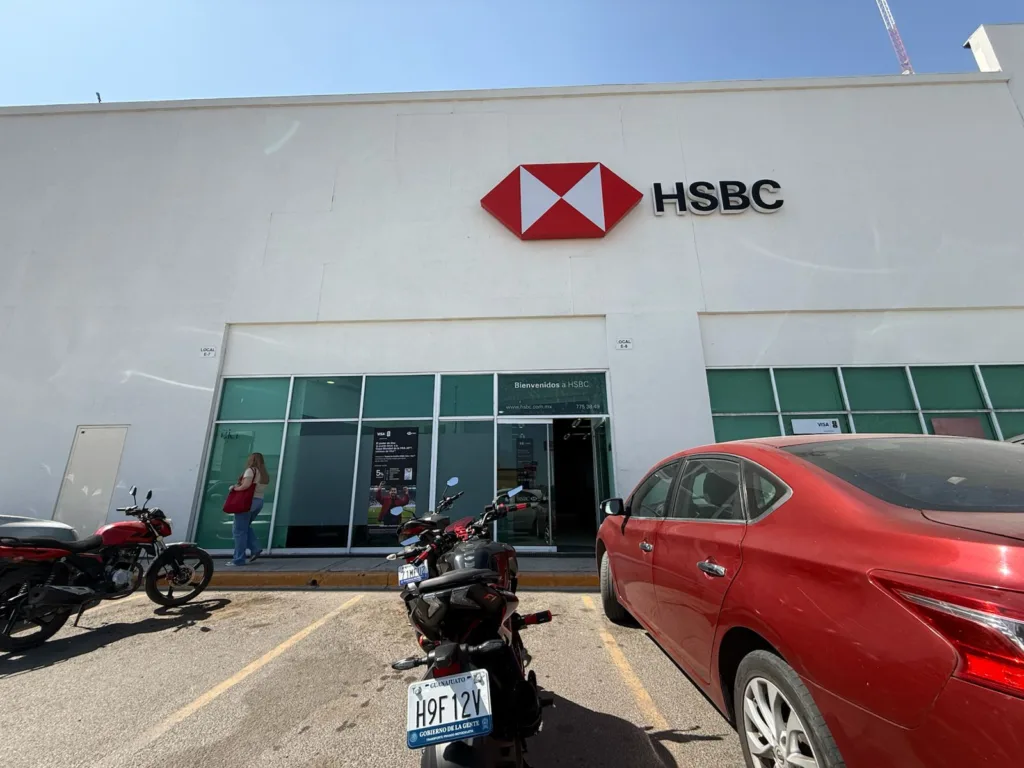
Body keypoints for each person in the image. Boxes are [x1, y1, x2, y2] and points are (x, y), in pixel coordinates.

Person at [226, 453, 270, 566]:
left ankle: (239, 559)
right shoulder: (264, 473)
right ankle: (255, 548)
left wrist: (234, 488)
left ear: (251, 460)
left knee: (239, 532)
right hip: (259, 501)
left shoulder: (251, 471)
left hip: (248, 502)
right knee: (244, 528)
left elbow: (246, 486)